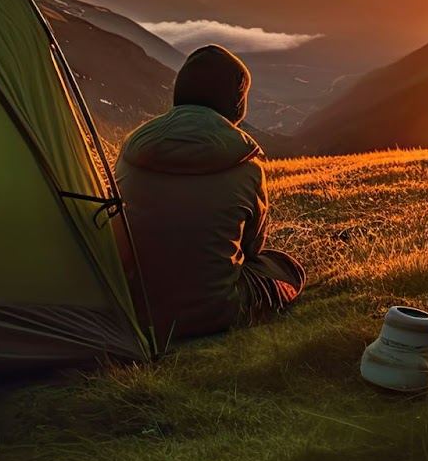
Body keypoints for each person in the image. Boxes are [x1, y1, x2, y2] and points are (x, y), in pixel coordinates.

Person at [114, 44, 306, 343]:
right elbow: (252, 249)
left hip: (134, 308)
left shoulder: (132, 150)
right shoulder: (246, 162)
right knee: (285, 268)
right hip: (213, 314)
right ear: (236, 104)